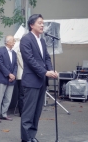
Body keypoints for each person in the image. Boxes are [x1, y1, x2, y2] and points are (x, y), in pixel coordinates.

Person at [20, 14, 58, 142]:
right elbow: (30, 60)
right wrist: (44, 72)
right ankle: (26, 138)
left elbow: (46, 57)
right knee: (28, 111)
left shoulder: (41, 40)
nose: (42, 25)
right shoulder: (26, 39)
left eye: (43, 23)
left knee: (37, 111)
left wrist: (50, 70)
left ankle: (32, 135)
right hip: (31, 80)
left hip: (41, 81)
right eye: (40, 23)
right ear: (31, 25)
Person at [0, 35, 17, 123]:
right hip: (2, 78)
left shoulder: (14, 53)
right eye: (13, 41)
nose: (14, 42)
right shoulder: (0, 51)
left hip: (11, 79)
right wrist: (8, 74)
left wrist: (13, 75)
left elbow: (15, 65)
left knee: (8, 98)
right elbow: (0, 64)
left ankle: (4, 113)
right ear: (7, 42)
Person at [13, 41, 24, 116]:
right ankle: (21, 111)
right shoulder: (19, 51)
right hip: (21, 76)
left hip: (26, 76)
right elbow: (23, 64)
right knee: (22, 94)